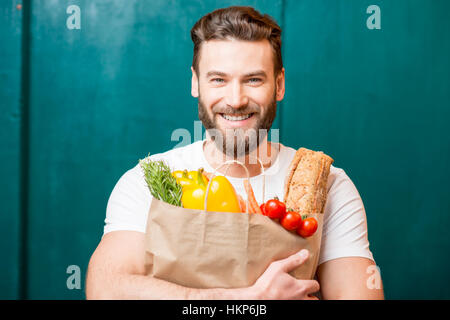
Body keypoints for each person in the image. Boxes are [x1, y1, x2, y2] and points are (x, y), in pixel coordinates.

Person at [85, 6, 384, 300]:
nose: (236, 99)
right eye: (219, 79)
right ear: (195, 82)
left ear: (279, 85)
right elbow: (106, 290)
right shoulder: (147, 181)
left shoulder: (331, 186)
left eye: (253, 79)